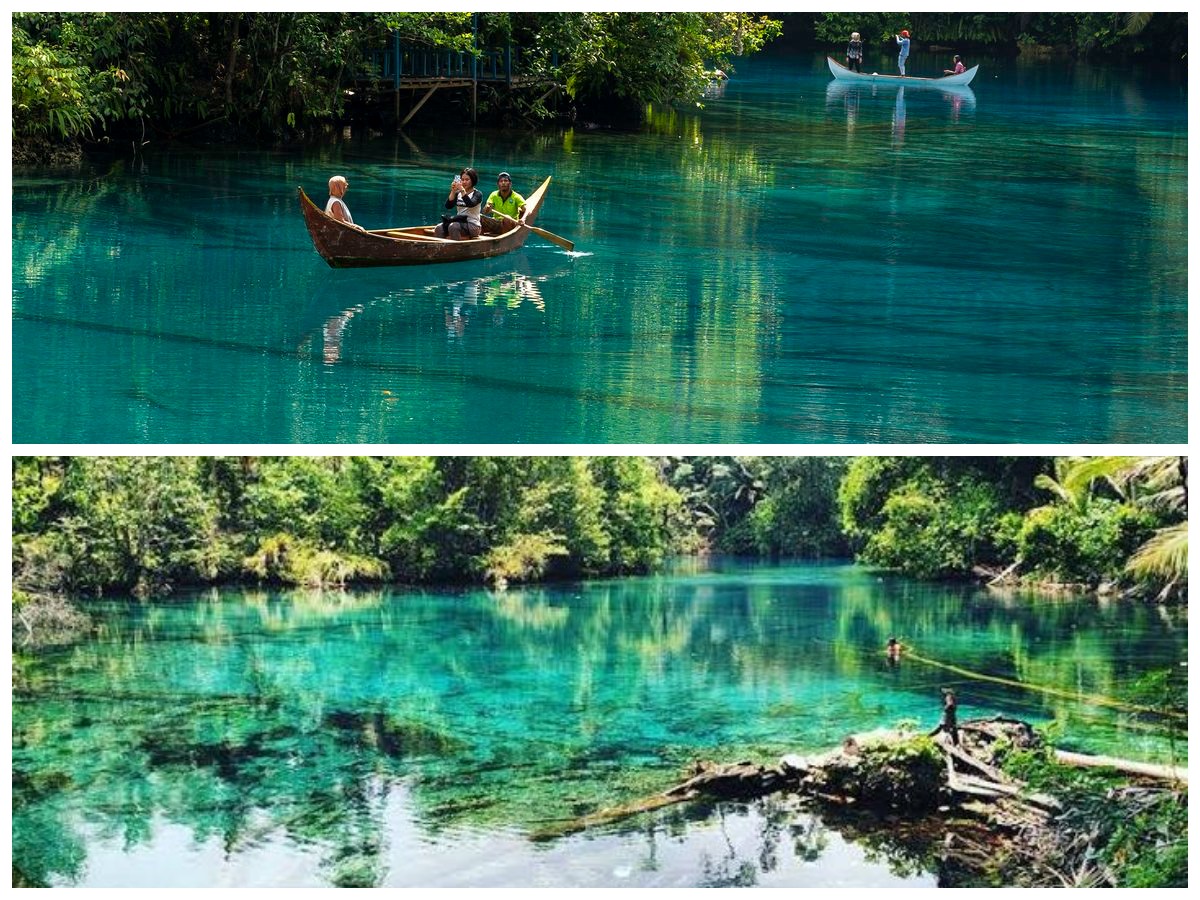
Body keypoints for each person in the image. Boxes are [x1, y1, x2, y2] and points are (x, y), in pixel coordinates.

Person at [436, 167, 483, 240]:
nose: (464, 182)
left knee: (453, 227)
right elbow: (448, 206)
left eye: (467, 180)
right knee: (439, 228)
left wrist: (462, 190)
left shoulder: (477, 194)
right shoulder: (458, 193)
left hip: (473, 226)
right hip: (459, 222)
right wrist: (453, 191)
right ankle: (440, 248)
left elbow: (470, 204)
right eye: (462, 180)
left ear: (473, 180)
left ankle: (456, 249)